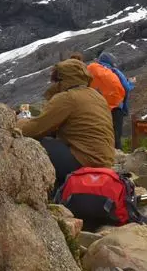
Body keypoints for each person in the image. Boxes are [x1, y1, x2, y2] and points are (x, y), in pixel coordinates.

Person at [17, 59, 115, 189]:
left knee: (34, 144)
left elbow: (34, 129)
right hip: (104, 163)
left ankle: (42, 188)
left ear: (63, 80)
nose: (54, 84)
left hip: (84, 161)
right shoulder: (97, 96)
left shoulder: (67, 98)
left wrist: (17, 122)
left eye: (56, 80)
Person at [94, 52, 134, 149]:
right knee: (116, 134)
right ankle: (117, 154)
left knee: (101, 133)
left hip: (98, 107)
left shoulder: (93, 71)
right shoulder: (114, 71)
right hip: (115, 107)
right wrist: (131, 83)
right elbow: (126, 87)